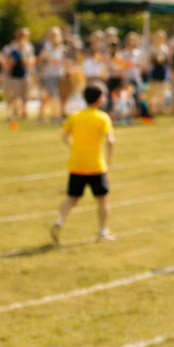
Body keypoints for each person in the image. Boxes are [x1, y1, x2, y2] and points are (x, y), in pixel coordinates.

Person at [52, 83, 115, 244]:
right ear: (100, 99)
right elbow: (110, 140)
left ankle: (60, 220)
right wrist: (110, 158)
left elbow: (63, 136)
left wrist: (72, 146)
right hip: (96, 165)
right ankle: (102, 230)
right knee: (102, 199)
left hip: (76, 164)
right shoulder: (102, 117)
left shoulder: (75, 116)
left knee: (72, 198)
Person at [2, 27, 34, 122]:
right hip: (16, 75)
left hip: (27, 73)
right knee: (16, 95)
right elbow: (10, 61)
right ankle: (13, 113)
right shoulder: (12, 47)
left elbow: (31, 60)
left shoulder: (28, 47)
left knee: (26, 95)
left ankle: (24, 112)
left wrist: (25, 61)